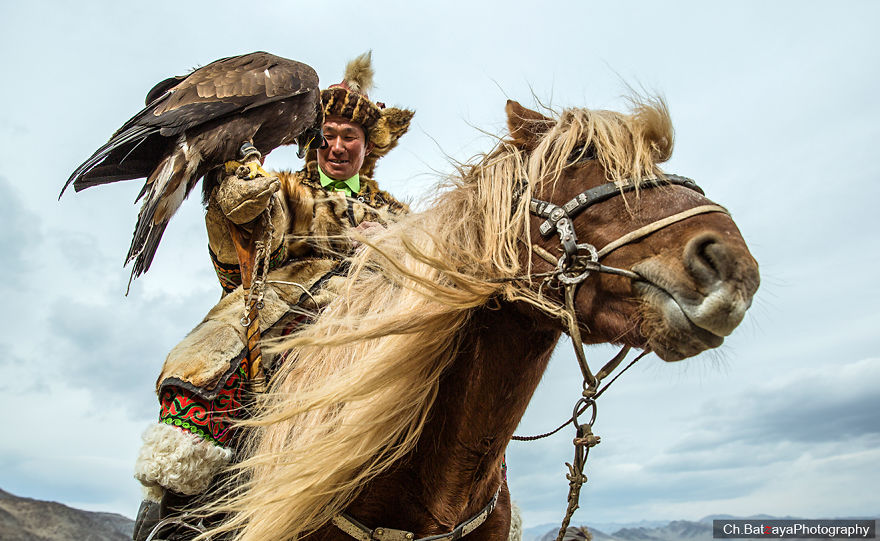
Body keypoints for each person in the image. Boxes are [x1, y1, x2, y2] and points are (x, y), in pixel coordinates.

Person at [131, 52, 414, 541]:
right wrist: (236, 204)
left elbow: (422, 277)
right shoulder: (279, 189)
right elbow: (239, 259)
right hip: (284, 302)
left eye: (351, 136)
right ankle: (176, 508)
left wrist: (390, 251)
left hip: (373, 313)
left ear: (369, 147)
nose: (339, 146)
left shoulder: (399, 216)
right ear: (312, 141)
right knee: (203, 364)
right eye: (329, 135)